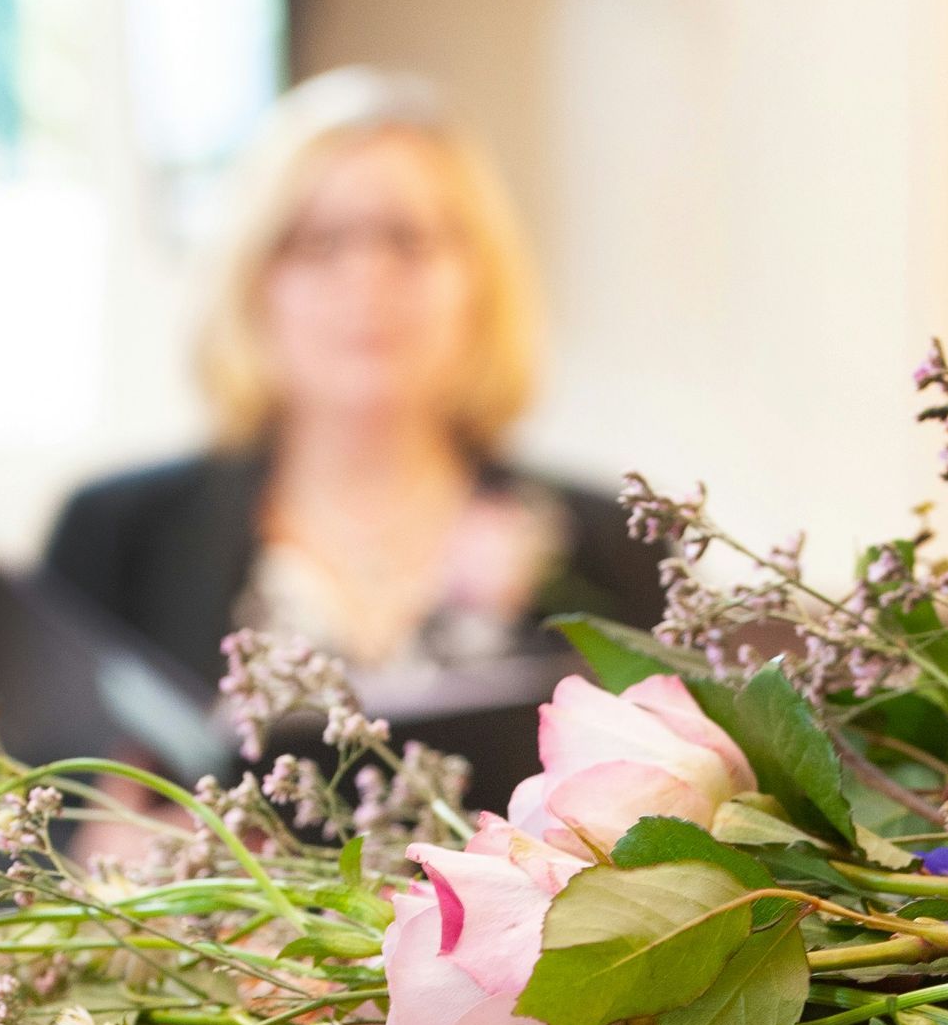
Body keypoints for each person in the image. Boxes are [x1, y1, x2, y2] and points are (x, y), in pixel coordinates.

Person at [42, 68, 660, 758]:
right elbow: (29, 815)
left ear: (481, 282)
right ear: (252, 283)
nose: (367, 279)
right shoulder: (118, 539)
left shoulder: (616, 549)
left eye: (409, 240)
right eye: (318, 243)